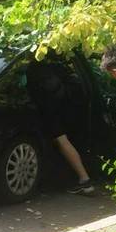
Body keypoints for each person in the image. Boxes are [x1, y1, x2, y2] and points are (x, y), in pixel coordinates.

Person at [26, 57, 94, 195]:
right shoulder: (55, 67)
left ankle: (84, 179)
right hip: (65, 109)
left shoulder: (31, 70)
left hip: (49, 112)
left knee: (62, 142)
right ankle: (80, 177)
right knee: (66, 142)